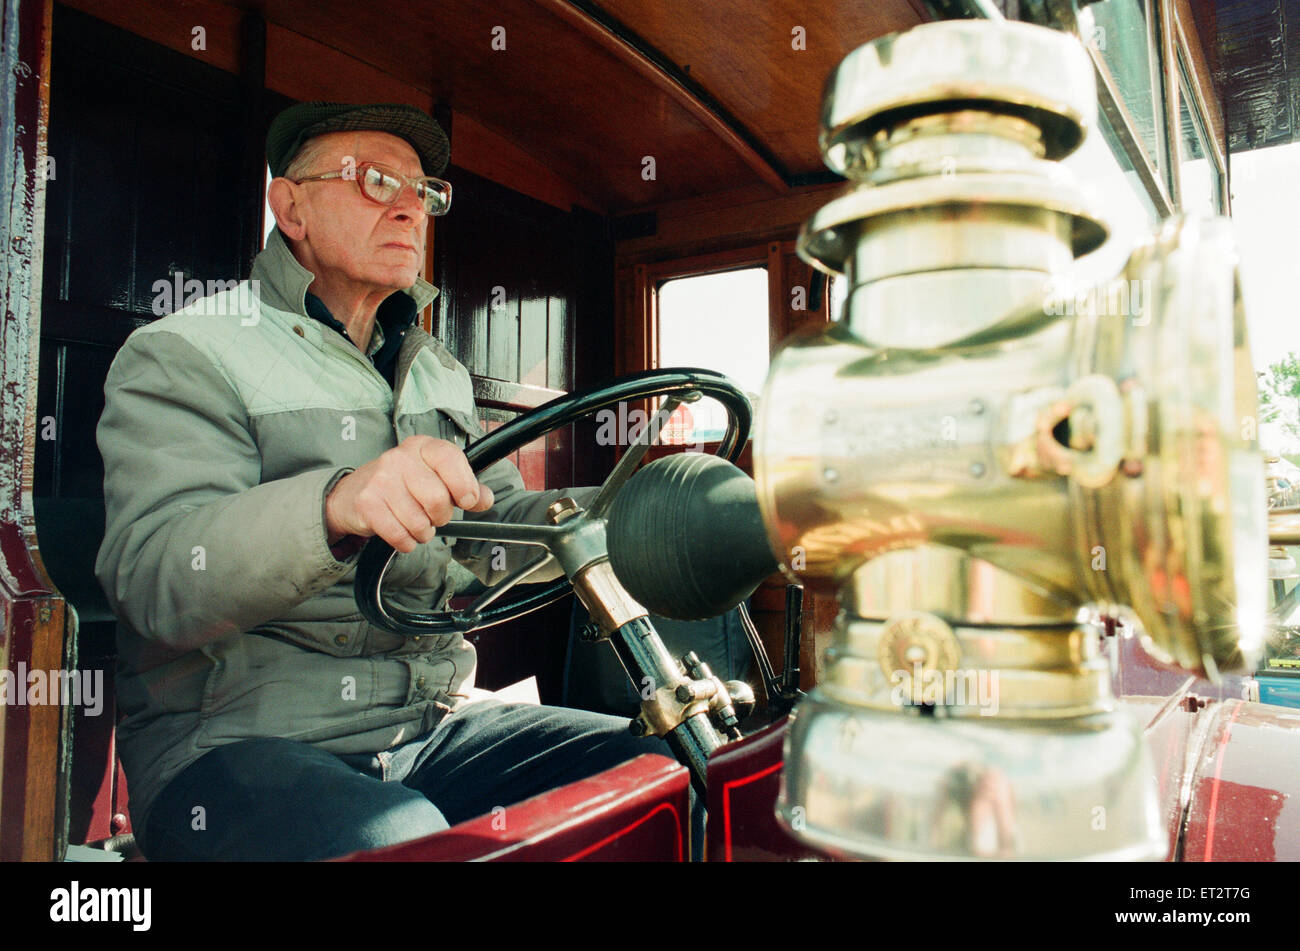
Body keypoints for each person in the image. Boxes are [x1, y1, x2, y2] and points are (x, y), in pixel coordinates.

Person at [94, 102, 672, 861]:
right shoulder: (186, 351)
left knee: (663, 769)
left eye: (425, 191)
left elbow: (489, 534)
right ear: (289, 207)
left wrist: (622, 510)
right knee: (397, 844)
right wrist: (333, 507)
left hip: (431, 723)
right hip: (231, 740)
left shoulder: (438, 370)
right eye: (374, 181)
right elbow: (153, 574)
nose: (410, 206)